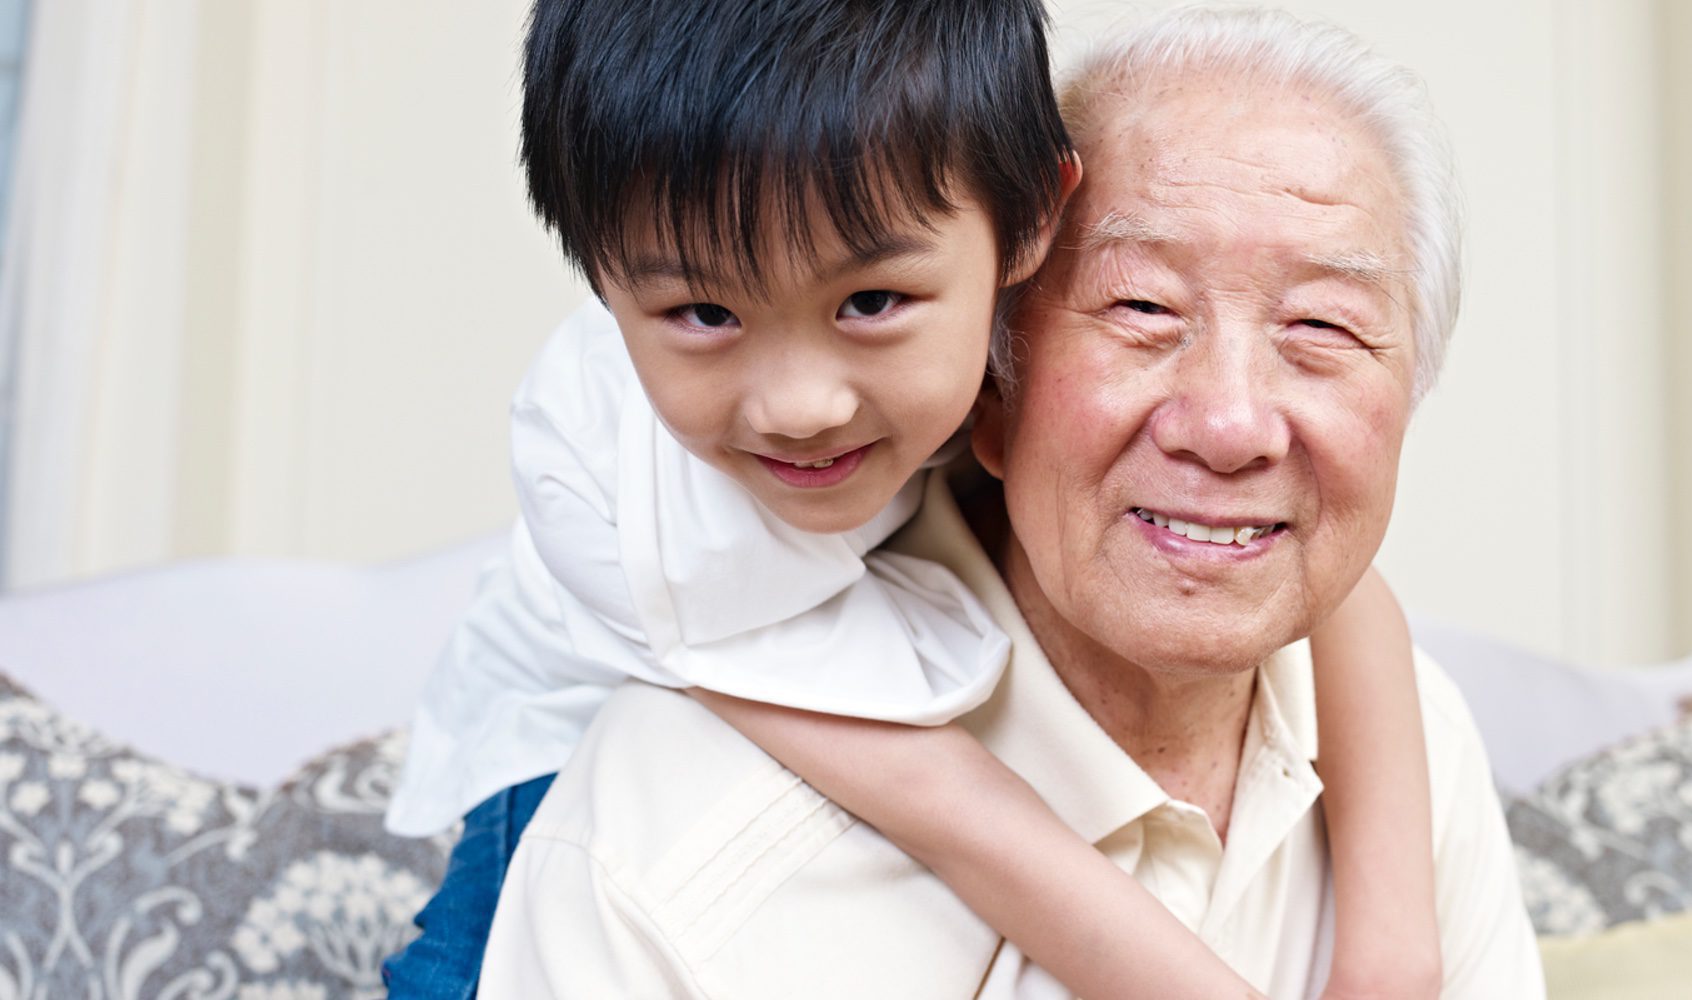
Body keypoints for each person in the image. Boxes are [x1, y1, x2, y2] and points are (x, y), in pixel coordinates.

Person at [470, 5, 1544, 998]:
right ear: (1001, 370)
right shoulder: (632, 538)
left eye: (1319, 326)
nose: (800, 407)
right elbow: (949, 811)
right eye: (1140, 306)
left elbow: (1343, 588)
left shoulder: (1406, 748)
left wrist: (1392, 951)